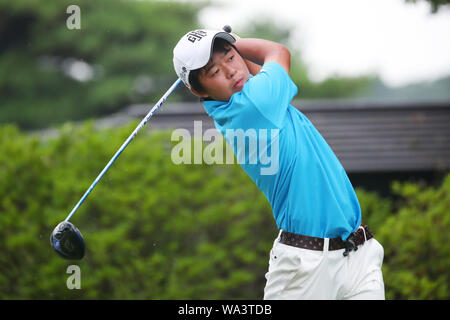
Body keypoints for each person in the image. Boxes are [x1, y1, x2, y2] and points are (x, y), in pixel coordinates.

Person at [172, 27, 385, 300]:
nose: (230, 71)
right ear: (196, 90)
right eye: (214, 72)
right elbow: (277, 52)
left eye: (230, 58)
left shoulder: (252, 102)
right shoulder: (254, 106)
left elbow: (256, 73)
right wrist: (236, 42)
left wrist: (234, 52)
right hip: (305, 267)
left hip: (358, 254)